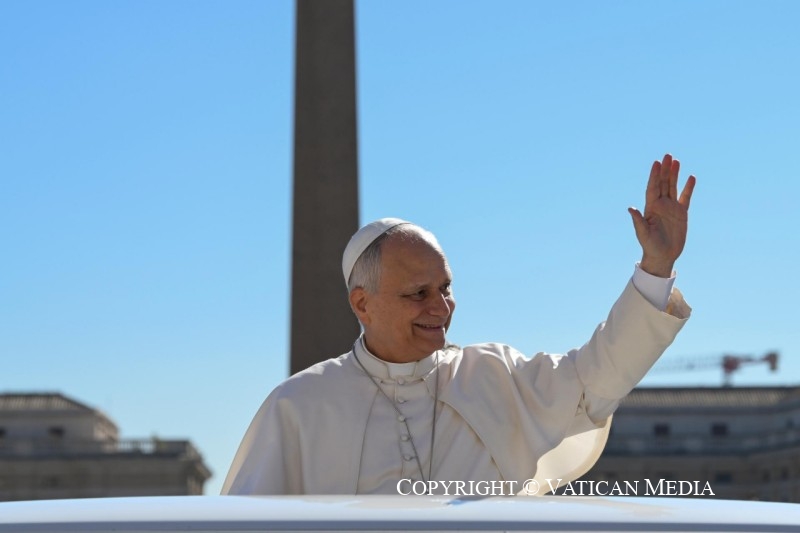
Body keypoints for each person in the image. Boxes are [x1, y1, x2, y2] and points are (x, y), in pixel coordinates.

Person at [222, 154, 696, 496]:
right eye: (418, 294)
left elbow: (596, 379)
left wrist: (655, 267)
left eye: (445, 288)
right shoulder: (298, 407)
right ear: (363, 304)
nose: (441, 308)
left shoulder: (494, 375)